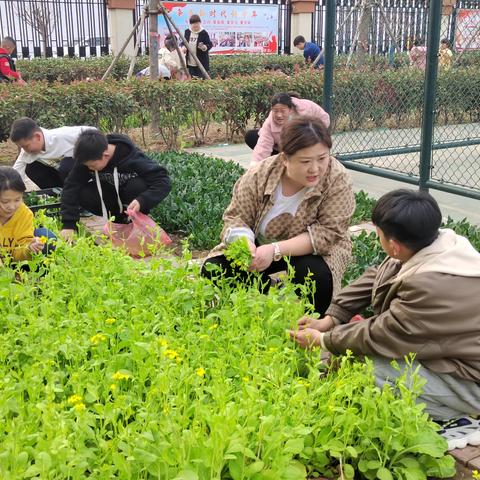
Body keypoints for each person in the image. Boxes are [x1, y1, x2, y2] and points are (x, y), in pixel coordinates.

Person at [290, 189, 480, 450]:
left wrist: (323, 340)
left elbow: (383, 332)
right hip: (453, 357)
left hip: (471, 380)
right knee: (353, 359)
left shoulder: (432, 287)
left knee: (366, 371)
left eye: (378, 234)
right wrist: (332, 318)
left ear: (394, 245)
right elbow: (378, 276)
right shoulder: (437, 247)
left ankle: (455, 418)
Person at [202, 117, 355, 315]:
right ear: (284, 158)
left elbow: (326, 234)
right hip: (259, 248)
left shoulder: (337, 180)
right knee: (215, 268)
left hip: (312, 251)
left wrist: (275, 250)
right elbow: (236, 217)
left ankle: (312, 325)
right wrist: (246, 245)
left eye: (322, 158)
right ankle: (257, 308)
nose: (315, 169)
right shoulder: (259, 175)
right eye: (305, 161)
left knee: (316, 275)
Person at [59, 130, 171, 241]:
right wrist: (69, 224)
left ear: (105, 155)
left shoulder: (133, 157)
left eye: (92, 166)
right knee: (83, 193)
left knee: (137, 185)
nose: (89, 169)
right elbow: (71, 186)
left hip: (133, 198)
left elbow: (163, 180)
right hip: (111, 196)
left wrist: (143, 200)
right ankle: (118, 222)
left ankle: (134, 223)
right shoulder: (90, 156)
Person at [245, 92, 330, 166]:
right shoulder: (270, 123)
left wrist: (315, 135)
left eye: (283, 111)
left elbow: (324, 119)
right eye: (275, 111)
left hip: (306, 142)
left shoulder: (306, 108)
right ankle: (280, 161)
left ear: (290, 109)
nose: (279, 115)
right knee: (251, 136)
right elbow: (263, 145)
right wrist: (254, 166)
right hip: (283, 147)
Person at [10, 117, 94, 189]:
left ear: (37, 137)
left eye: (26, 146)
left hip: (82, 171)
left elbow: (94, 132)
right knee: (31, 167)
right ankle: (57, 195)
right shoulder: (26, 153)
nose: (25, 150)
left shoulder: (63, 136)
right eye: (22, 147)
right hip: (62, 177)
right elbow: (15, 175)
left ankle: (82, 195)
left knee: (66, 165)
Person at [0, 166, 56, 264]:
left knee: (45, 236)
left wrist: (29, 248)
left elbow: (18, 252)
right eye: (5, 202)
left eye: (17, 200)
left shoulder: (24, 214)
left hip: (12, 264)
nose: (12, 207)